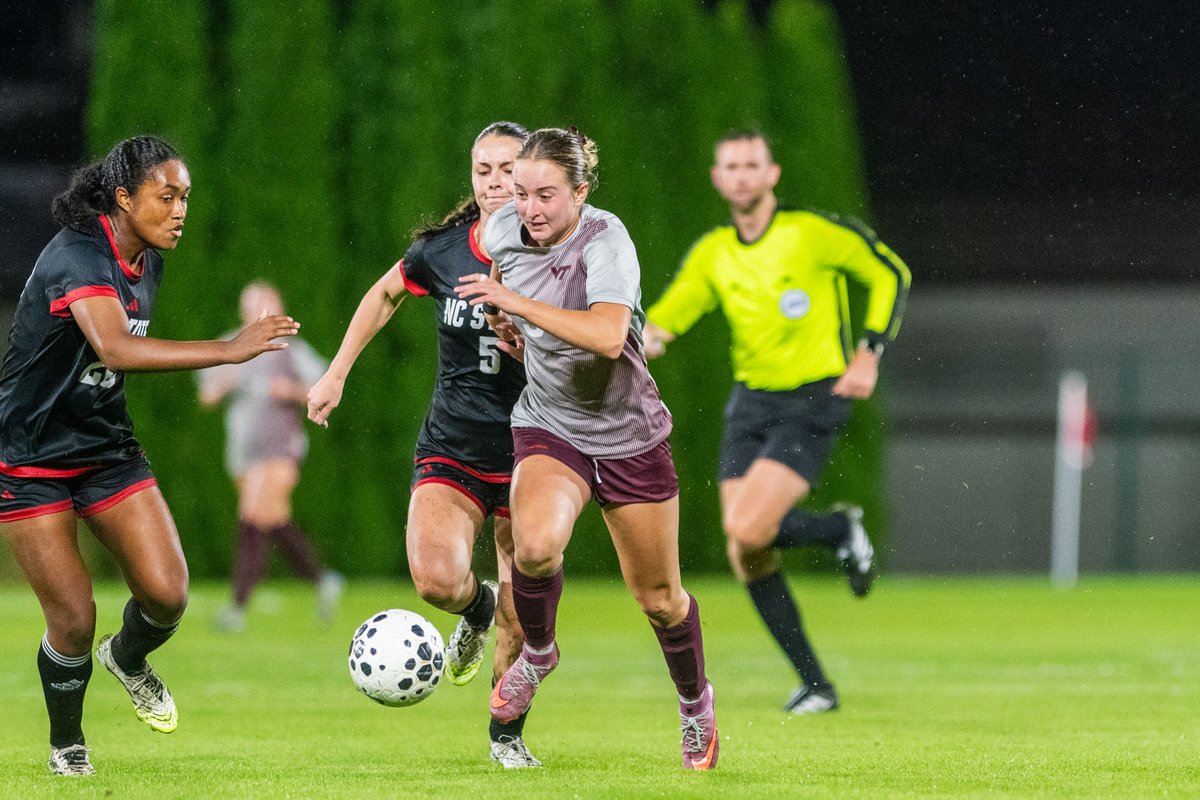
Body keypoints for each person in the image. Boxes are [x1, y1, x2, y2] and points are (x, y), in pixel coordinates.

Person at [0, 135, 301, 776]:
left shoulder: (148, 258)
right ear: (123, 197)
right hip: (30, 457)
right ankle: (68, 745)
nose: (179, 210)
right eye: (166, 197)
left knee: (168, 594)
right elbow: (115, 349)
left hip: (105, 447)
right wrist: (231, 349)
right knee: (75, 618)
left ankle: (129, 659)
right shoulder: (79, 255)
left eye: (185, 197)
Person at [455, 126, 719, 771]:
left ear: (580, 191)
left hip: (629, 437)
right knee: (535, 546)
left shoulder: (607, 240)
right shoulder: (502, 233)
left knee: (661, 600)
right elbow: (506, 289)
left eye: (546, 194)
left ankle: (695, 706)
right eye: (519, 193)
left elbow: (606, 336)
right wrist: (507, 324)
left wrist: (512, 302)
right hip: (552, 425)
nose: (530, 208)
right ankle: (540, 653)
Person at [641, 128, 911, 715]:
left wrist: (869, 351)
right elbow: (672, 312)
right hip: (752, 403)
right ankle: (816, 684)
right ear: (718, 180)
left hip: (813, 396)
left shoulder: (811, 235)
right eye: (730, 166)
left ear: (772, 175)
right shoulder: (714, 251)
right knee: (747, 550)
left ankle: (841, 532)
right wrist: (644, 338)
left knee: (747, 530)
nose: (740, 175)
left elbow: (890, 273)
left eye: (751, 165)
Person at [306, 122, 539, 768]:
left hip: (534, 455)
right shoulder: (444, 252)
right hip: (455, 447)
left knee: (526, 623)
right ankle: (477, 604)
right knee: (437, 581)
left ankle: (506, 738)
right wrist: (335, 373)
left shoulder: (560, 254)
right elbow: (385, 294)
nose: (494, 182)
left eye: (506, 170)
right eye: (483, 169)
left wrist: (535, 344)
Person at [198, 281, 343, 633]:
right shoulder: (231, 345)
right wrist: (224, 384)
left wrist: (290, 390)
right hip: (243, 452)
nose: (261, 310)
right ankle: (323, 581)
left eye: (267, 303)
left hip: (280, 449)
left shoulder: (290, 349)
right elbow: (206, 396)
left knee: (250, 518)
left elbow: (323, 385)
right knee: (272, 521)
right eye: (254, 304)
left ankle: (237, 607)